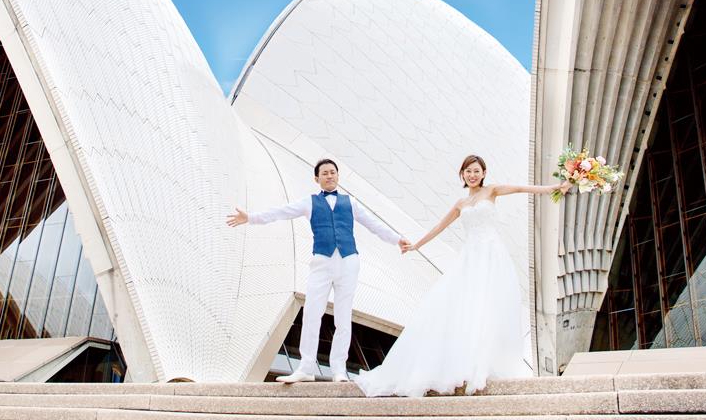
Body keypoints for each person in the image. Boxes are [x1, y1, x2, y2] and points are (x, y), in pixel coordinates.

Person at [353, 154, 569, 397]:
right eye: (468, 171)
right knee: (464, 307)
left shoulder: (493, 191)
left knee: (487, 308)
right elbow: (438, 227)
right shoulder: (460, 204)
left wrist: (555, 187)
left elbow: (521, 188)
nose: (472, 175)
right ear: (462, 175)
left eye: (476, 171)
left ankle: (482, 364)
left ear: (484, 173)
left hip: (492, 255)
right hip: (471, 258)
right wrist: (416, 245)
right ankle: (463, 364)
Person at [226, 158, 409, 382]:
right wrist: (251, 218)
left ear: (338, 176)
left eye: (333, 172)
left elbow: (373, 224)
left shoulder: (350, 203)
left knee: (343, 317)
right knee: (312, 313)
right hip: (321, 262)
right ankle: (306, 368)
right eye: (325, 173)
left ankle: (340, 370)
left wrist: (397, 239)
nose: (329, 176)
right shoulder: (309, 202)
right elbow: (281, 212)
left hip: (348, 261)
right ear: (317, 178)